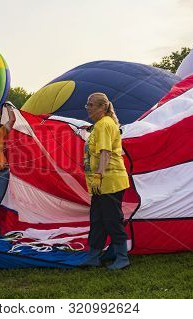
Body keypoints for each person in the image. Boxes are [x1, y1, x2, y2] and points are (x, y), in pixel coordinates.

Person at [82, 92, 130, 270]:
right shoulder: (99, 125)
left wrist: (98, 175)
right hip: (101, 183)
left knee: (111, 220)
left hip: (109, 181)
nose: (88, 107)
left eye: (92, 104)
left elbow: (105, 152)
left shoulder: (104, 125)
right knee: (97, 220)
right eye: (87, 104)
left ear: (103, 107)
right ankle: (94, 257)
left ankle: (122, 258)